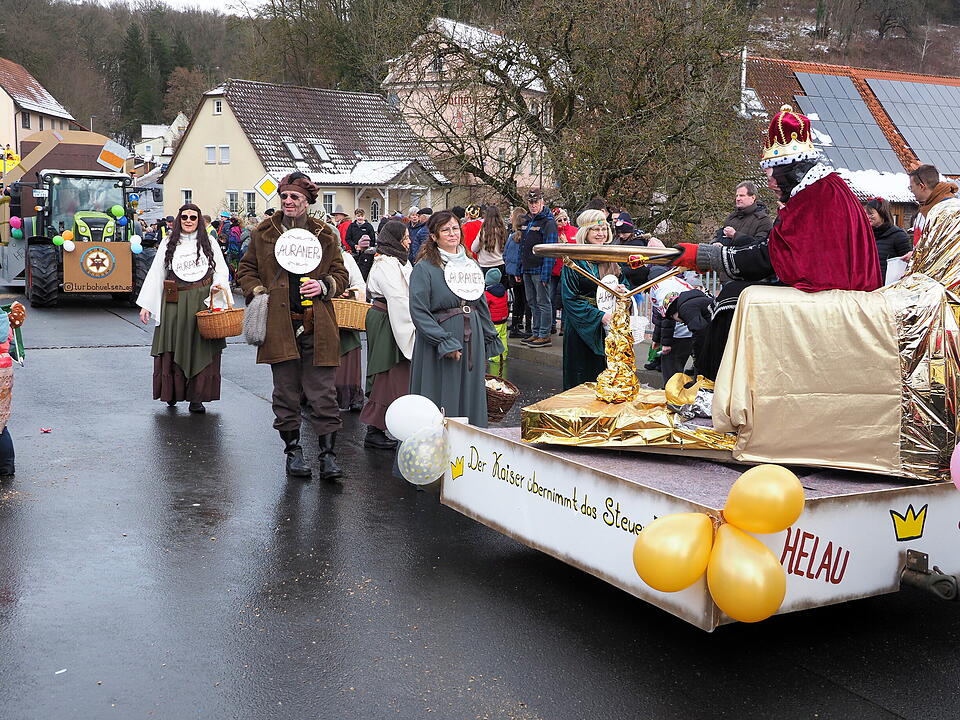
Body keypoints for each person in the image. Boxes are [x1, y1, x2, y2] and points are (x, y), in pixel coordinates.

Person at [670, 104, 881, 380]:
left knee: (734, 299)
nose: (770, 183)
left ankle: (714, 383)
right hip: (836, 296)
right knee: (732, 295)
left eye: (772, 175)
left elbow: (774, 256)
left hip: (833, 302)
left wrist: (708, 256)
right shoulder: (821, 191)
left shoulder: (813, 199)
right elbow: (780, 249)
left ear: (790, 169)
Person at [237, 172, 349, 480]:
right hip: (279, 325)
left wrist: (325, 285)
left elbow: (341, 273)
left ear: (307, 201)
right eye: (284, 196)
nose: (288, 201)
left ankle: (327, 456)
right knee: (285, 393)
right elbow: (246, 269)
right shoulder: (264, 232)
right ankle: (294, 452)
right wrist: (258, 291)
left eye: (294, 197)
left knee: (323, 393)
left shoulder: (325, 234)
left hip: (317, 325)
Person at [409, 210, 504, 427]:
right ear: (434, 237)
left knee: (471, 394)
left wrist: (490, 336)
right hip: (441, 341)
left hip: (473, 337)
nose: (452, 234)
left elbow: (479, 303)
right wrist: (443, 341)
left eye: (455, 228)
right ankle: (439, 454)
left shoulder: (470, 264)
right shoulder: (424, 269)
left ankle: (468, 454)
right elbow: (419, 311)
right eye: (445, 230)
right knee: (443, 395)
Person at [137, 204, 232, 414]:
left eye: (193, 218)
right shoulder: (168, 242)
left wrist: (217, 291)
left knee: (199, 346)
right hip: (174, 302)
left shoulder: (210, 242)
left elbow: (221, 270)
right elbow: (156, 273)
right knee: (173, 344)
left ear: (199, 221)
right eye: (185, 217)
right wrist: (146, 304)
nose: (189, 221)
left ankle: (196, 398)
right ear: (180, 220)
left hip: (201, 300)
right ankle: (172, 393)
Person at [360, 220, 415, 449]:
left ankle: (393, 422)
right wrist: (412, 326)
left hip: (394, 317)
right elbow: (397, 298)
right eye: (405, 237)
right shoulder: (384, 263)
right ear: (395, 239)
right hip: (386, 318)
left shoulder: (399, 260)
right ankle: (374, 430)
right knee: (385, 369)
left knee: (397, 372)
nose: (409, 241)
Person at [560, 209, 619, 390]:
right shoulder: (574, 261)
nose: (601, 234)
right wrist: (598, 316)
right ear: (586, 232)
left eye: (604, 229)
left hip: (607, 326)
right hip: (581, 326)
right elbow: (570, 298)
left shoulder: (611, 257)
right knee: (581, 375)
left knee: (605, 375)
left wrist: (623, 291)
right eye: (595, 230)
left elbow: (622, 281)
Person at [649, 274, 713, 385]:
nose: (680, 322)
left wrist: (665, 344)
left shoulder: (685, 309)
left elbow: (701, 334)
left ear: (674, 313)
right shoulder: (687, 298)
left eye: (676, 320)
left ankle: (675, 395)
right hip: (710, 333)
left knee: (676, 369)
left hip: (702, 337)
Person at [520, 189, 558, 347]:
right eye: (530, 202)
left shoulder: (548, 222)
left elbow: (550, 250)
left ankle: (544, 334)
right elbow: (522, 246)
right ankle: (536, 332)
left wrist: (546, 274)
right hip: (528, 268)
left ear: (542, 202)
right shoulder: (527, 221)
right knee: (532, 302)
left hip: (540, 268)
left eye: (536, 202)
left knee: (543, 302)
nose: (533, 205)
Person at [335, 246, 366, 412]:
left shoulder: (346, 258)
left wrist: (350, 293)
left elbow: (360, 283)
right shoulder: (315, 258)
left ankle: (352, 396)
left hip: (346, 313)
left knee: (349, 353)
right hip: (323, 312)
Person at [0, 302, 25, 477]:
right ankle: (6, 467)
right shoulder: (4, 318)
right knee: (1, 421)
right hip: (4, 370)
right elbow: (18, 315)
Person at [710, 181, 773, 248]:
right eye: (737, 196)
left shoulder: (764, 220)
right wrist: (715, 242)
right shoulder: (732, 217)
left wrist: (735, 235)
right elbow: (719, 234)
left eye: (742, 195)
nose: (738, 199)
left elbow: (760, 246)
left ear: (753, 197)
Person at [864, 196, 912, 283]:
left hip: (888, 287)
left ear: (882, 214)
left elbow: (907, 264)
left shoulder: (898, 236)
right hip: (869, 286)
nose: (867, 217)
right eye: (866, 214)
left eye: (871, 214)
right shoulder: (866, 235)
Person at [909, 164, 957, 245]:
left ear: (921, 186)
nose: (911, 191)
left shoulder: (949, 211)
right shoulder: (926, 207)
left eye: (911, 187)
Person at [504, 207, 529, 339]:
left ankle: (515, 324)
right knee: (523, 300)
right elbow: (521, 257)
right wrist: (518, 272)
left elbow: (505, 254)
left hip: (512, 273)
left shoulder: (511, 237)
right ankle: (517, 324)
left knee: (517, 299)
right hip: (520, 273)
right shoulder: (524, 239)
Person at [484, 267, 509, 372]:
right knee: (503, 336)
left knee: (495, 337)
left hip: (494, 320)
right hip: (503, 319)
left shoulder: (487, 294)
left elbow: (485, 306)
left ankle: (495, 356)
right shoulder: (503, 291)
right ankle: (503, 354)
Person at [470, 204, 506, 277]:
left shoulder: (483, 231)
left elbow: (473, 248)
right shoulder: (503, 230)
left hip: (485, 265)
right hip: (501, 264)